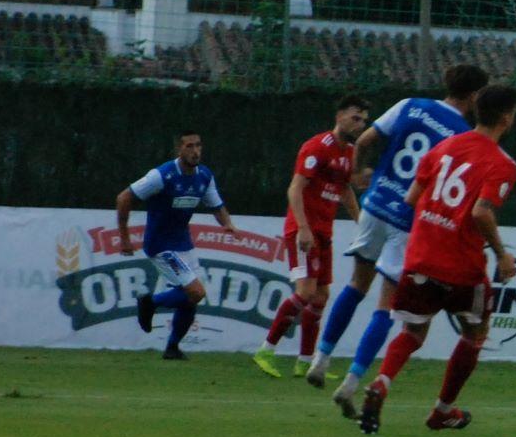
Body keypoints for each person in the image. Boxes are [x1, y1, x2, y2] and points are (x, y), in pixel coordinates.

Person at [309, 62, 489, 402]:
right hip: (408, 222)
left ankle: (320, 359)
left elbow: (364, 140)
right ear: (476, 95)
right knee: (385, 306)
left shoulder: (411, 105)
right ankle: (350, 382)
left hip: (375, 205)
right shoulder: (462, 136)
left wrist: (359, 173)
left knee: (355, 285)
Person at [358, 86, 516, 435]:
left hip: (420, 257)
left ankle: (382, 383)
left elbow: (413, 197)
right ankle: (443, 410)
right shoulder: (502, 164)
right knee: (475, 333)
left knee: (413, 332)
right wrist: (501, 253)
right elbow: (481, 212)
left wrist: (439, 220)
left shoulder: (442, 148)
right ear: (506, 117)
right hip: (462, 265)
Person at [254, 94, 368, 380]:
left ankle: (305, 361)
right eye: (356, 117)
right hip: (303, 230)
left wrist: (362, 223)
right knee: (305, 292)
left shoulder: (350, 153)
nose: (360, 124)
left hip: (323, 232)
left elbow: (345, 191)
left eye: (364, 120)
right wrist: (303, 227)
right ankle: (265, 350)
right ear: (339, 116)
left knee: (320, 296)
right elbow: (294, 189)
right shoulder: (317, 147)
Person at [115, 130, 240, 361]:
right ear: (179, 150)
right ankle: (150, 302)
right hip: (160, 245)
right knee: (196, 292)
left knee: (190, 299)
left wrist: (228, 224)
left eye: (198, 146)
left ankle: (172, 348)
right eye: (190, 146)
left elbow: (216, 205)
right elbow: (124, 198)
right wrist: (124, 238)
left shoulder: (204, 176)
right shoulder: (162, 175)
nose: (195, 151)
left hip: (184, 243)